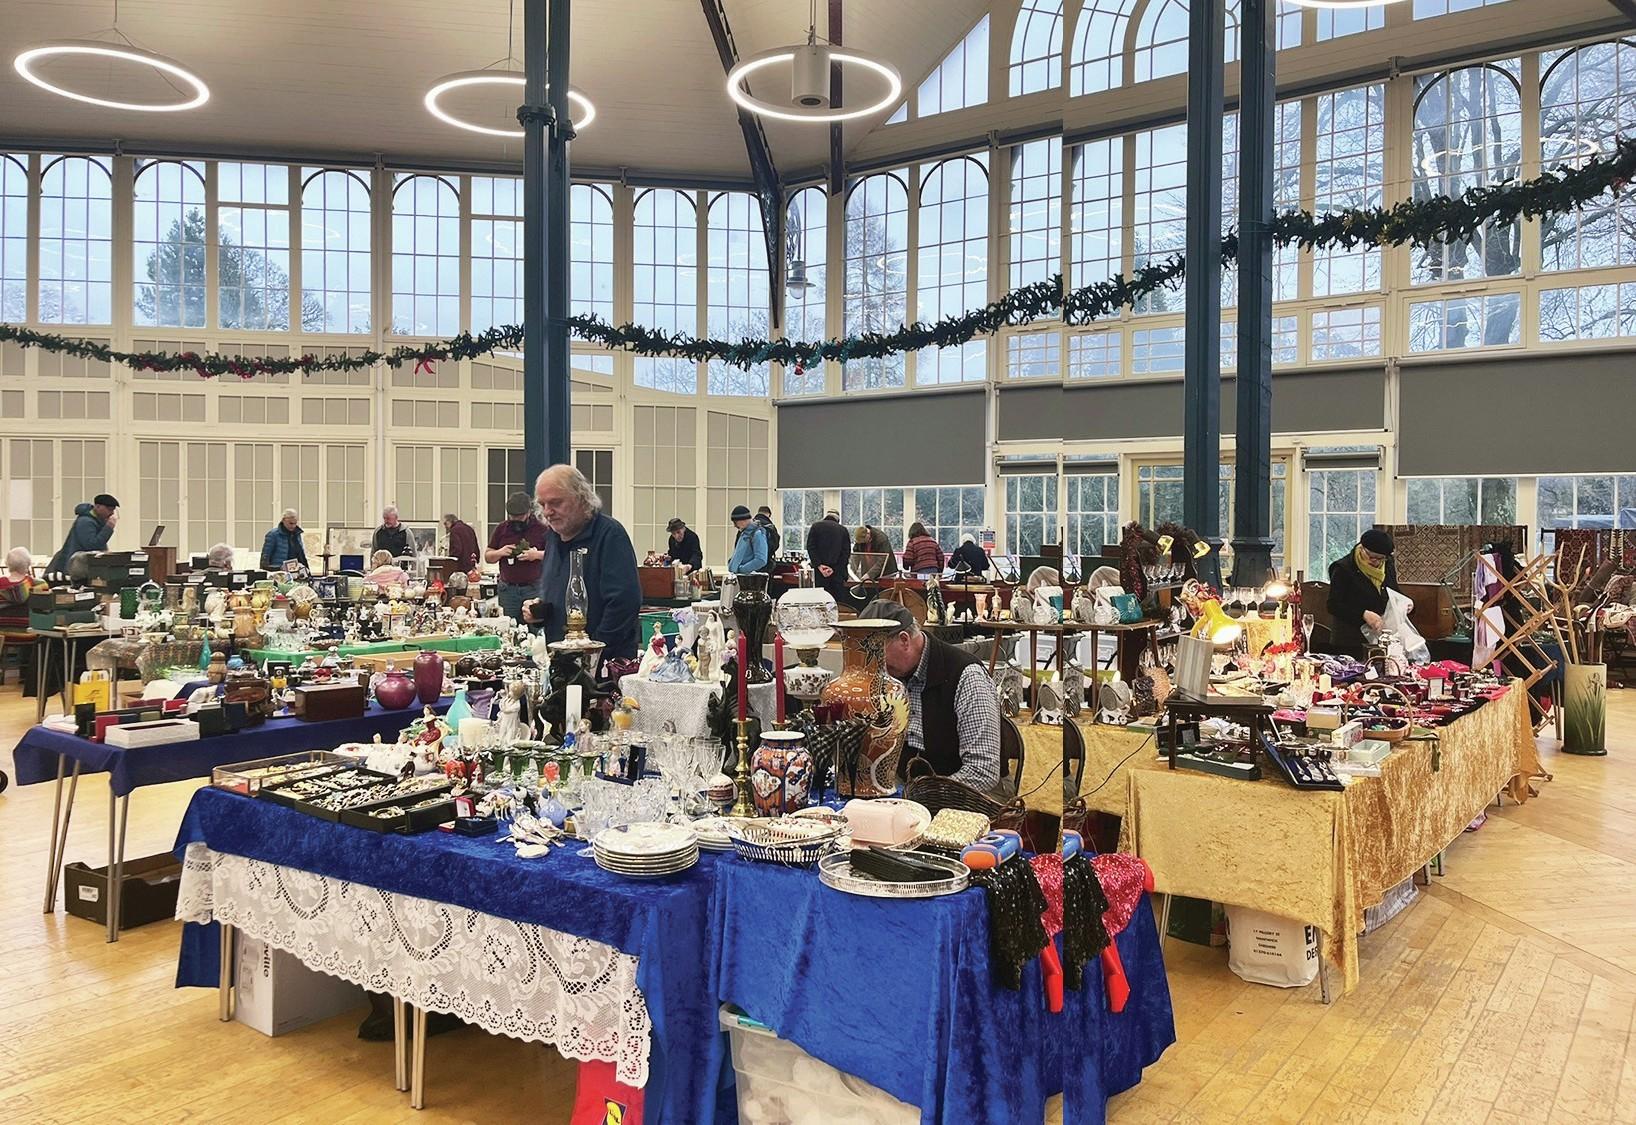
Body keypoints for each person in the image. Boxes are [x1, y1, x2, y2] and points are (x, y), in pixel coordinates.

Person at [861, 599, 1000, 793]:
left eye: (877, 654)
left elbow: (983, 772)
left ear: (904, 640)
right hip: (909, 790)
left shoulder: (966, 676)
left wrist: (922, 797)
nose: (874, 664)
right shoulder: (888, 676)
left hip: (971, 796)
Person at [524, 464, 640, 659]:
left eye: (555, 503)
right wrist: (540, 613)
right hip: (561, 660)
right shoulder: (553, 538)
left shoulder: (610, 535)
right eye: (542, 504)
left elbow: (624, 604)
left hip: (604, 664)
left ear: (581, 499)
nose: (547, 512)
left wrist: (590, 654)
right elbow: (558, 596)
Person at [1326, 528, 1401, 657]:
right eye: (1371, 557)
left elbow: (1392, 591)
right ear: (1362, 548)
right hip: (1349, 641)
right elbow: (1333, 605)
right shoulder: (1342, 569)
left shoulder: (1387, 564)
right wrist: (1363, 614)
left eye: (1380, 558)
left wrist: (1405, 602)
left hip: (1378, 638)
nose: (1375, 562)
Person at [486, 492, 548, 623]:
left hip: (533, 588)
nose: (515, 520)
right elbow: (488, 556)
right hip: (507, 590)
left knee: (536, 628)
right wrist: (500, 552)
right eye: (512, 516)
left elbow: (554, 555)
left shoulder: (541, 529)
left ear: (528, 512)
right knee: (508, 626)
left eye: (519, 517)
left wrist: (535, 555)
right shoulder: (502, 529)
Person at [47, 493, 118, 577]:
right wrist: (108, 528)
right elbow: (92, 545)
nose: (112, 513)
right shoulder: (85, 522)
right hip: (77, 567)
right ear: (98, 506)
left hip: (80, 565)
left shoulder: (96, 520)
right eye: (109, 509)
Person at [805, 511, 851, 603]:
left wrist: (819, 565)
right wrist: (834, 568)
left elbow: (810, 547)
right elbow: (846, 553)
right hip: (837, 575)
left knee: (819, 602)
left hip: (819, 574)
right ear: (838, 519)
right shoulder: (843, 530)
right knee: (837, 603)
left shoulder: (815, 527)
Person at [727, 505, 768, 575]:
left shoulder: (757, 534)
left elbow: (761, 560)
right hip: (739, 576)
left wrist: (742, 569)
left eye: (735, 522)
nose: (735, 525)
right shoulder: (744, 533)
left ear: (742, 520)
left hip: (747, 579)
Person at [1, 547, 34, 631]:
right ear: (28, 564)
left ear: (7, 563)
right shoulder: (38, 584)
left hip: (2, 639)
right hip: (30, 637)